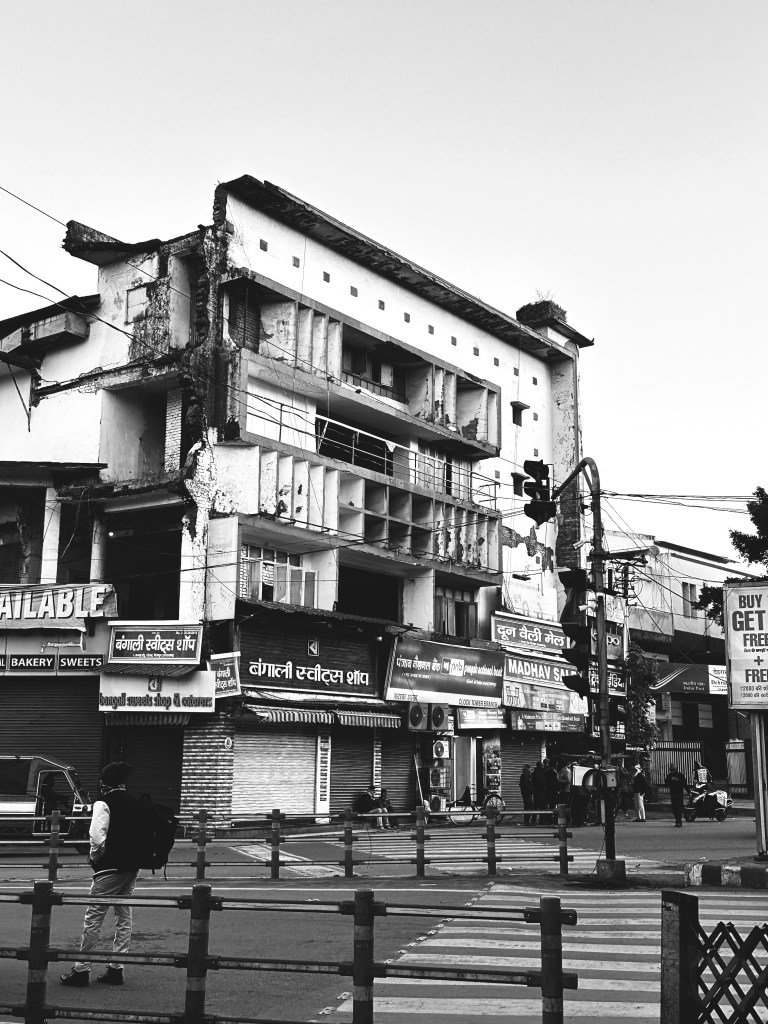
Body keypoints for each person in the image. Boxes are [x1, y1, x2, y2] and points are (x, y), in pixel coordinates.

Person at [61, 761, 141, 987]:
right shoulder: (133, 801)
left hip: (109, 868)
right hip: (131, 867)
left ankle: (81, 969)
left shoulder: (103, 803)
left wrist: (95, 858)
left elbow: (97, 838)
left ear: (106, 782)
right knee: (124, 916)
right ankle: (116, 968)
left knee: (94, 917)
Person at [665, 763, 691, 828]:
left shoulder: (680, 776)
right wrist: (670, 779)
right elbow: (666, 784)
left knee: (679, 809)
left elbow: (684, 784)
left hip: (679, 794)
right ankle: (677, 820)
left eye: (673, 770)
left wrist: (688, 792)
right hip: (673, 794)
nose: (672, 772)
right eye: (671, 770)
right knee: (674, 809)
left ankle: (679, 821)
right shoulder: (669, 776)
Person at [531, 761, 547, 826]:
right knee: (541, 806)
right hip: (540, 792)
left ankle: (534, 820)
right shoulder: (540, 772)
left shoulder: (535, 773)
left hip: (537, 792)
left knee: (536, 806)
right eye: (542, 765)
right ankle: (540, 820)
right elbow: (541, 782)